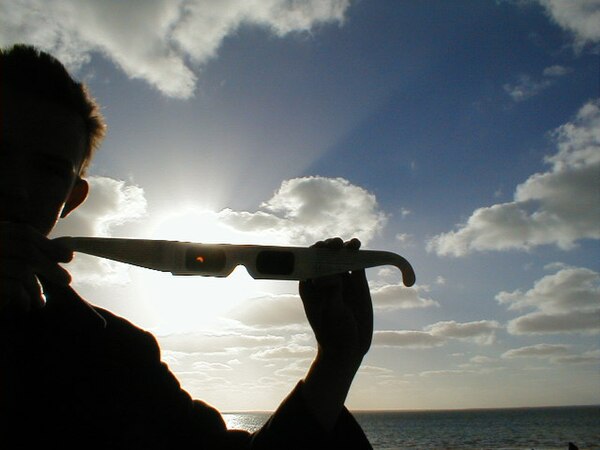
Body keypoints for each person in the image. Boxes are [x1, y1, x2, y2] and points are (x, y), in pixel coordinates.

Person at [0, 44, 374, 448]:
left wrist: (337, 360)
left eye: (48, 170)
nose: (14, 187)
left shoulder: (114, 356)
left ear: (71, 199)